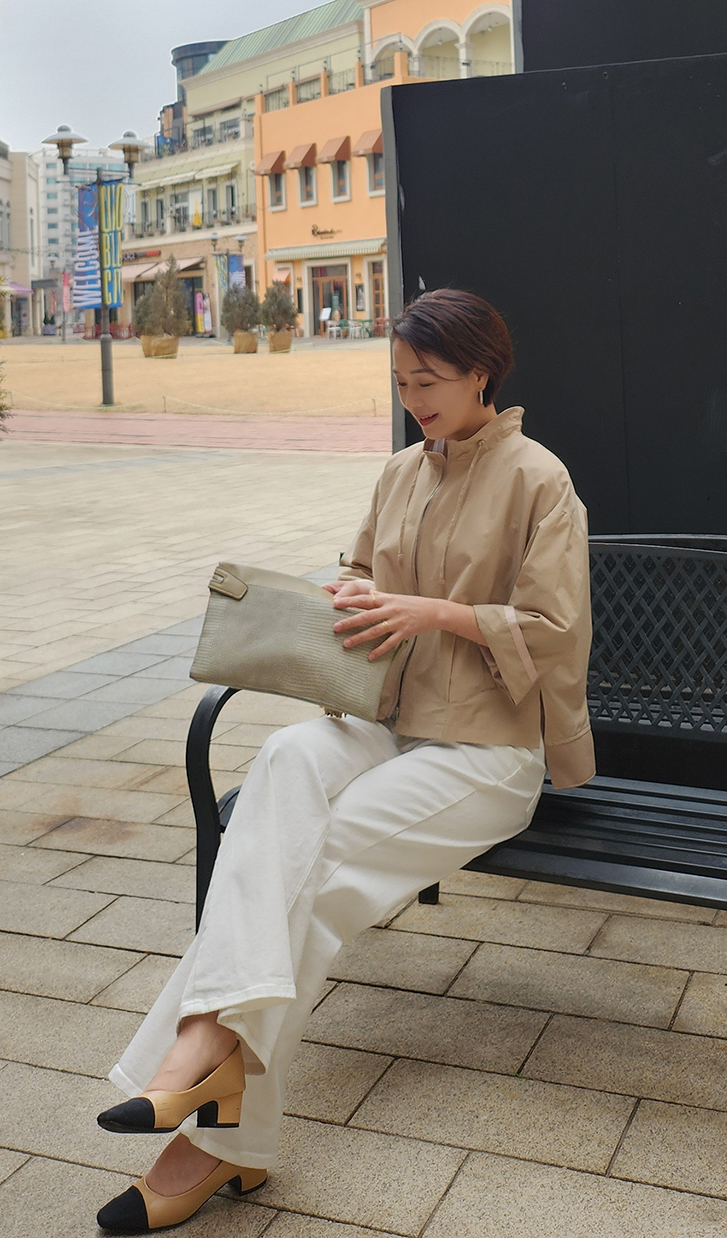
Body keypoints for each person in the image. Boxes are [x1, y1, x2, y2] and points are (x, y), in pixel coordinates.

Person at [94, 288, 595, 1232]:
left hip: (486, 750)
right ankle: (211, 1065)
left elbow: (557, 633)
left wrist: (435, 612)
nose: (413, 399)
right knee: (285, 758)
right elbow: (365, 574)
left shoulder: (540, 479)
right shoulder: (401, 471)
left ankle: (206, 1109)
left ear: (481, 372)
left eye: (429, 381)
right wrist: (351, 593)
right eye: (401, 381)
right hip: (389, 718)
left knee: (305, 873)